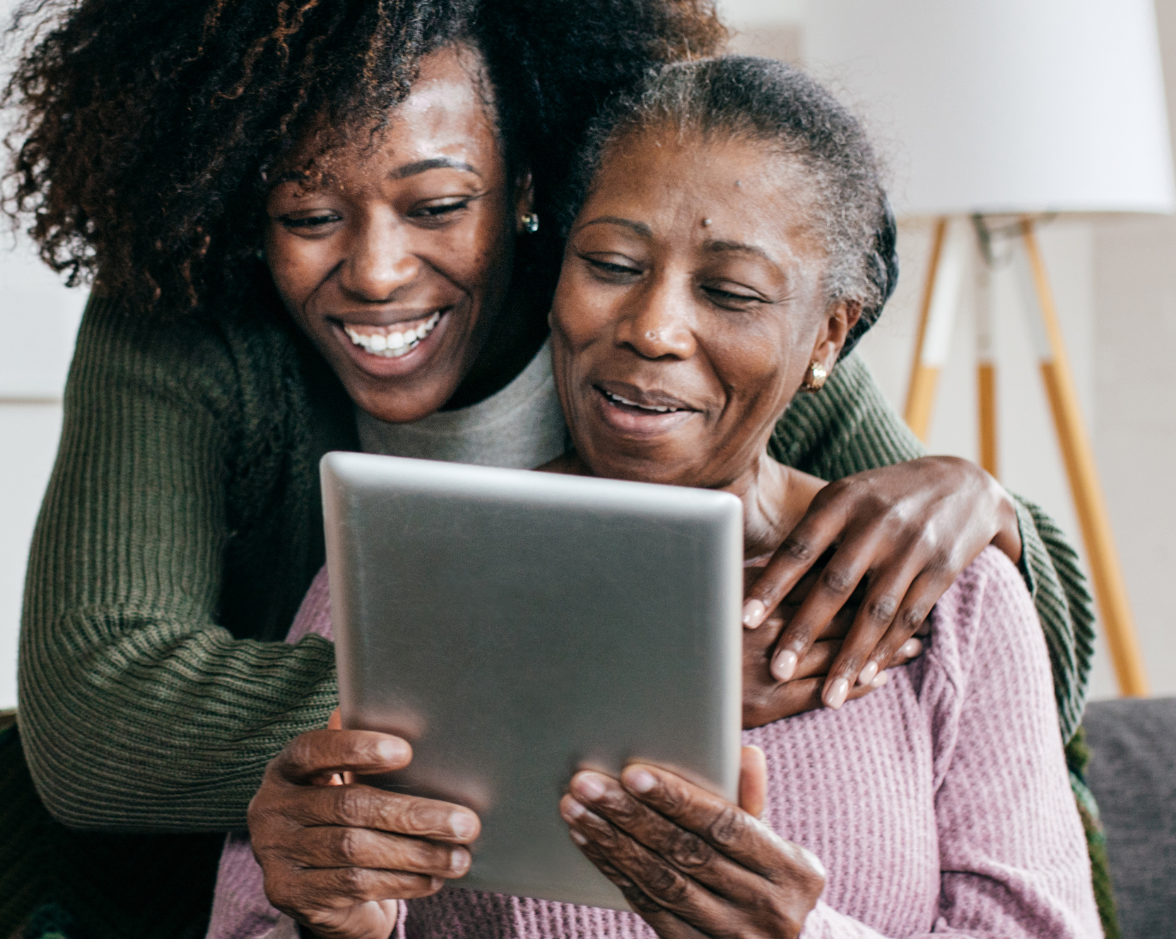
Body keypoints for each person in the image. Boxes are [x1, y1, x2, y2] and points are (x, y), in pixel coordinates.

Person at [0, 0, 1096, 838]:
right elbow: (99, 726)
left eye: (438, 206)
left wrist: (978, 507)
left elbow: (1027, 667)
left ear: (529, 176)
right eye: (308, 214)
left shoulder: (672, 320)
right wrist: (632, 681)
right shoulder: (187, 318)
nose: (376, 272)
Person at [221, 55, 1100, 938]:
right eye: (610, 263)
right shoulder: (400, 563)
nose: (651, 327)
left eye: (730, 292)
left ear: (829, 332)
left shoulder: (960, 604)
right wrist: (330, 928)